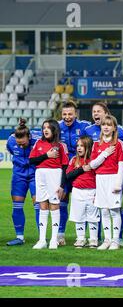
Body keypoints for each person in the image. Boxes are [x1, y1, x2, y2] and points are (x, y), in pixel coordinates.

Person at [83, 102, 123, 245]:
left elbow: (121, 164)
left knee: (114, 211)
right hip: (100, 179)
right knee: (104, 211)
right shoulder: (96, 145)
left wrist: (118, 183)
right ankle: (107, 240)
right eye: (104, 125)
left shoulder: (119, 143)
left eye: (109, 125)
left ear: (114, 128)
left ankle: (115, 240)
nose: (106, 127)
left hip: (113, 179)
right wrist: (105, 154)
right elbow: (92, 165)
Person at [29, 119, 69, 250]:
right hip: (40, 175)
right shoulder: (38, 143)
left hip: (55, 175)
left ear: (54, 130)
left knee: (54, 205)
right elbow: (32, 160)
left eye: (48, 127)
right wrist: (47, 155)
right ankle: (42, 240)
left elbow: (64, 167)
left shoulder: (61, 146)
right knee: (42, 205)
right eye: (43, 127)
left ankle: (53, 239)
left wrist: (62, 186)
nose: (45, 130)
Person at [58, 100, 90, 246]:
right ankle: (60, 235)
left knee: (88, 204)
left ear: (75, 114)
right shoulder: (57, 127)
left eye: (70, 114)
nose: (67, 117)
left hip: (82, 170)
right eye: (64, 114)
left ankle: (90, 236)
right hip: (64, 170)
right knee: (62, 201)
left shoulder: (84, 127)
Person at [6, 118, 42, 246]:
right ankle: (19, 237)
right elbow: (11, 152)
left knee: (38, 206)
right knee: (17, 206)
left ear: (29, 137)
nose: (21, 146)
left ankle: (41, 238)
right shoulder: (10, 141)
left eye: (24, 144)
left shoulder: (37, 139)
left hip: (35, 175)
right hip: (18, 176)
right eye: (19, 144)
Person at [66, 136, 98, 248]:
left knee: (92, 217)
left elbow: (99, 177)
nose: (79, 148)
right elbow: (68, 176)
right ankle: (80, 238)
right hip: (77, 192)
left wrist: (97, 193)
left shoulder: (94, 161)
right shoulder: (74, 160)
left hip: (92, 191)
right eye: (78, 146)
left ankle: (93, 239)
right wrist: (81, 169)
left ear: (88, 147)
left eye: (82, 146)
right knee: (78, 216)